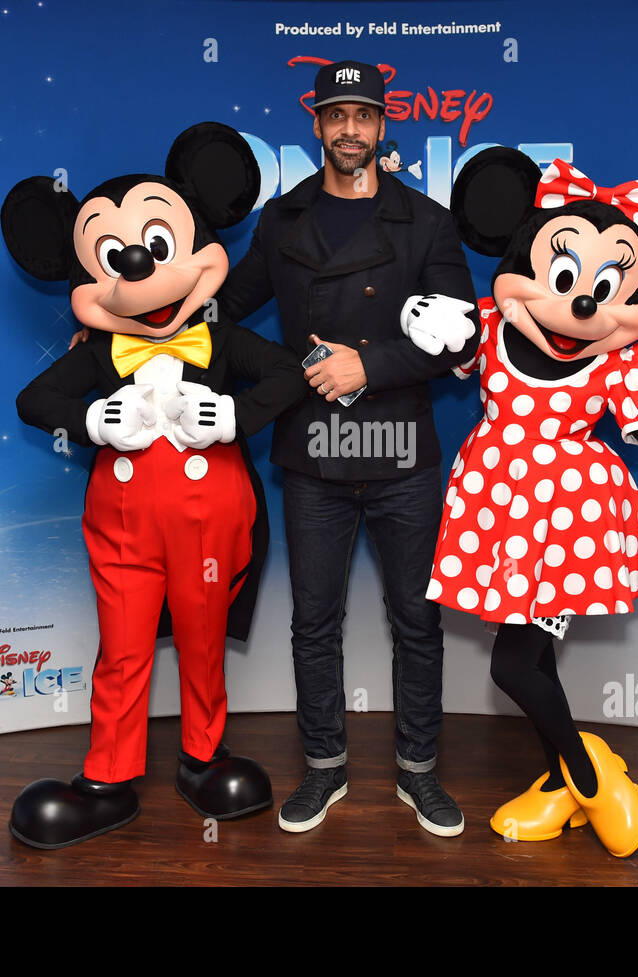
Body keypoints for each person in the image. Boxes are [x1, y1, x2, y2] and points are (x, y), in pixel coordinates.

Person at [216, 60, 477, 836]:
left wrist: (370, 362)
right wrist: (125, 330)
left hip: (402, 451)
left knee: (416, 621)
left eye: (363, 116)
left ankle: (418, 772)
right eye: (337, 116)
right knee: (312, 621)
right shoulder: (282, 220)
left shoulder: (426, 221)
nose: (351, 130)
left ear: (383, 124)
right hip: (314, 451)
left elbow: (459, 334)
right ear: (318, 124)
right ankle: (324, 769)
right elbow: (224, 309)